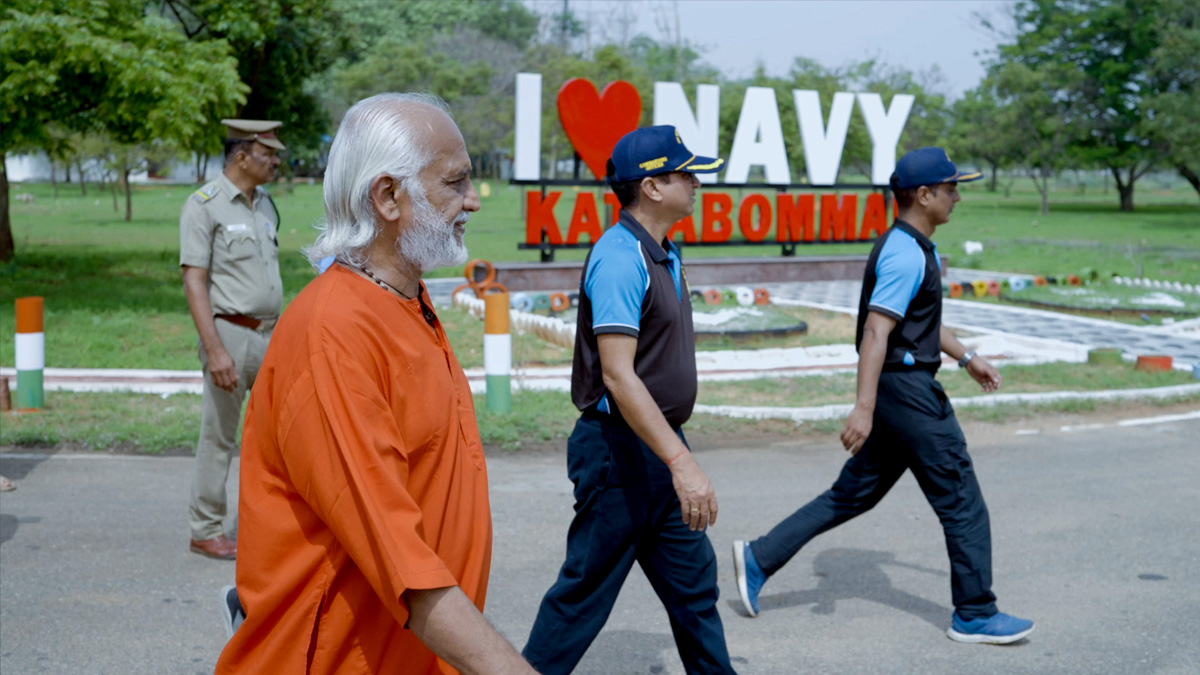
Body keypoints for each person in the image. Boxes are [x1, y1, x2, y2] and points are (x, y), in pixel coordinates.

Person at [215, 93, 535, 675]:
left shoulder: (404, 300)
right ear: (388, 196)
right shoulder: (334, 331)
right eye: (456, 182)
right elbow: (403, 565)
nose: (472, 201)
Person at [732, 147, 1035, 645]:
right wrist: (864, 407)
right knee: (961, 500)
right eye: (951, 188)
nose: (957, 197)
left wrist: (966, 357)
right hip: (907, 394)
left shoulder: (918, 246)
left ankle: (759, 557)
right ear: (924, 194)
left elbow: (922, 323)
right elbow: (877, 331)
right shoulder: (904, 252)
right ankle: (975, 613)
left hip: (901, 388)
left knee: (851, 495)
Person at [523, 126, 738, 674]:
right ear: (652, 186)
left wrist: (674, 455)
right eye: (684, 174)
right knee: (582, 598)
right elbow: (618, 377)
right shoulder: (621, 257)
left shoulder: (664, 252)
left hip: (658, 445)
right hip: (618, 451)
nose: (696, 184)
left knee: (694, 586)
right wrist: (682, 462)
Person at [180, 119, 285, 560]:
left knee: (273, 438)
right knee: (220, 434)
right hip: (230, 335)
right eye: (269, 155)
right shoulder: (203, 205)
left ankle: (268, 525)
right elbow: (194, 281)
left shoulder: (265, 205)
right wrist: (216, 350)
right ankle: (205, 528)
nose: (276, 162)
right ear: (242, 156)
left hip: (270, 335)